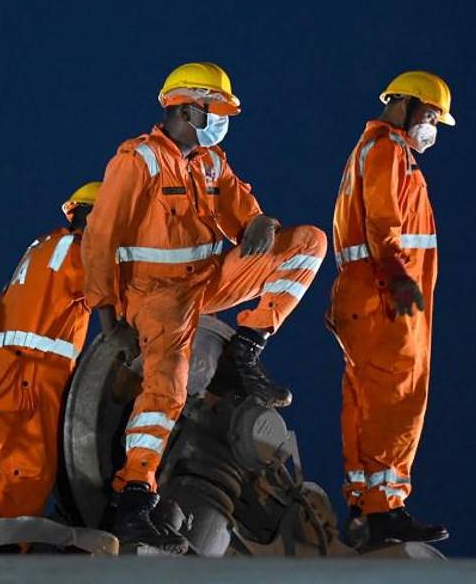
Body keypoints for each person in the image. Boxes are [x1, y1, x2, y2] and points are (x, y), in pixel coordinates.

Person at [82, 62, 327, 553]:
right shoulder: (139, 161)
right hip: (157, 296)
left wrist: (260, 222)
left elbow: (244, 210)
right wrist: (109, 321)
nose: (222, 121)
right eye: (217, 110)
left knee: (308, 243)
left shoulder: (212, 162)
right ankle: (133, 496)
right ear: (188, 108)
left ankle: (247, 346)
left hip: (209, 282)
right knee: (167, 391)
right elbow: (100, 240)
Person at [328, 71, 454, 547]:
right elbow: (383, 217)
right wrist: (399, 276)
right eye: (430, 116)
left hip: (366, 294)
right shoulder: (385, 150)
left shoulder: (371, 151)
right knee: (397, 398)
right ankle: (385, 507)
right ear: (404, 106)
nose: (432, 129)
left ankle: (365, 505)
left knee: (366, 399)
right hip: (385, 295)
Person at [0, 182, 101, 524]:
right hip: (31, 378)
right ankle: (4, 559)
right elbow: (118, 292)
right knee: (24, 471)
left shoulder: (46, 245)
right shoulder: (79, 252)